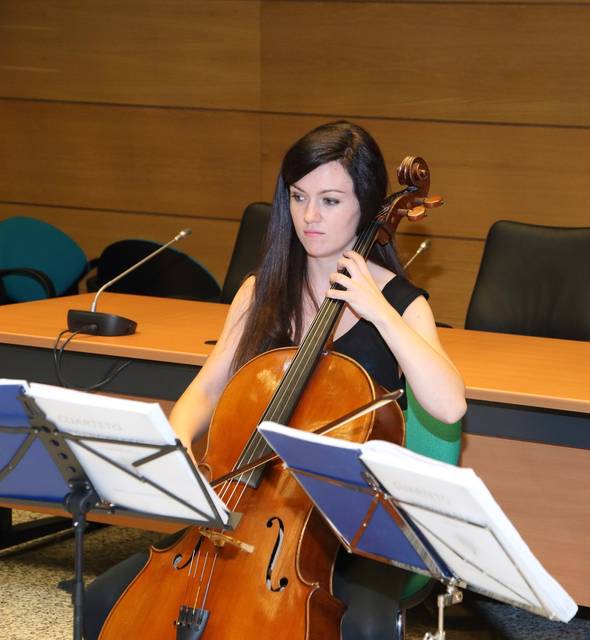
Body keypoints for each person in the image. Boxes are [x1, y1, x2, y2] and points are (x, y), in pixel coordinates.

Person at [83, 120, 467, 639]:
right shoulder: (260, 291)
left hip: (346, 530)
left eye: (330, 201)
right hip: (243, 503)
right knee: (103, 600)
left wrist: (379, 313)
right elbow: (206, 388)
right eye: (298, 196)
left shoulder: (400, 303)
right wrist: (174, 447)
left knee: (367, 630)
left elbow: (448, 407)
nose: (310, 216)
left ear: (368, 205)